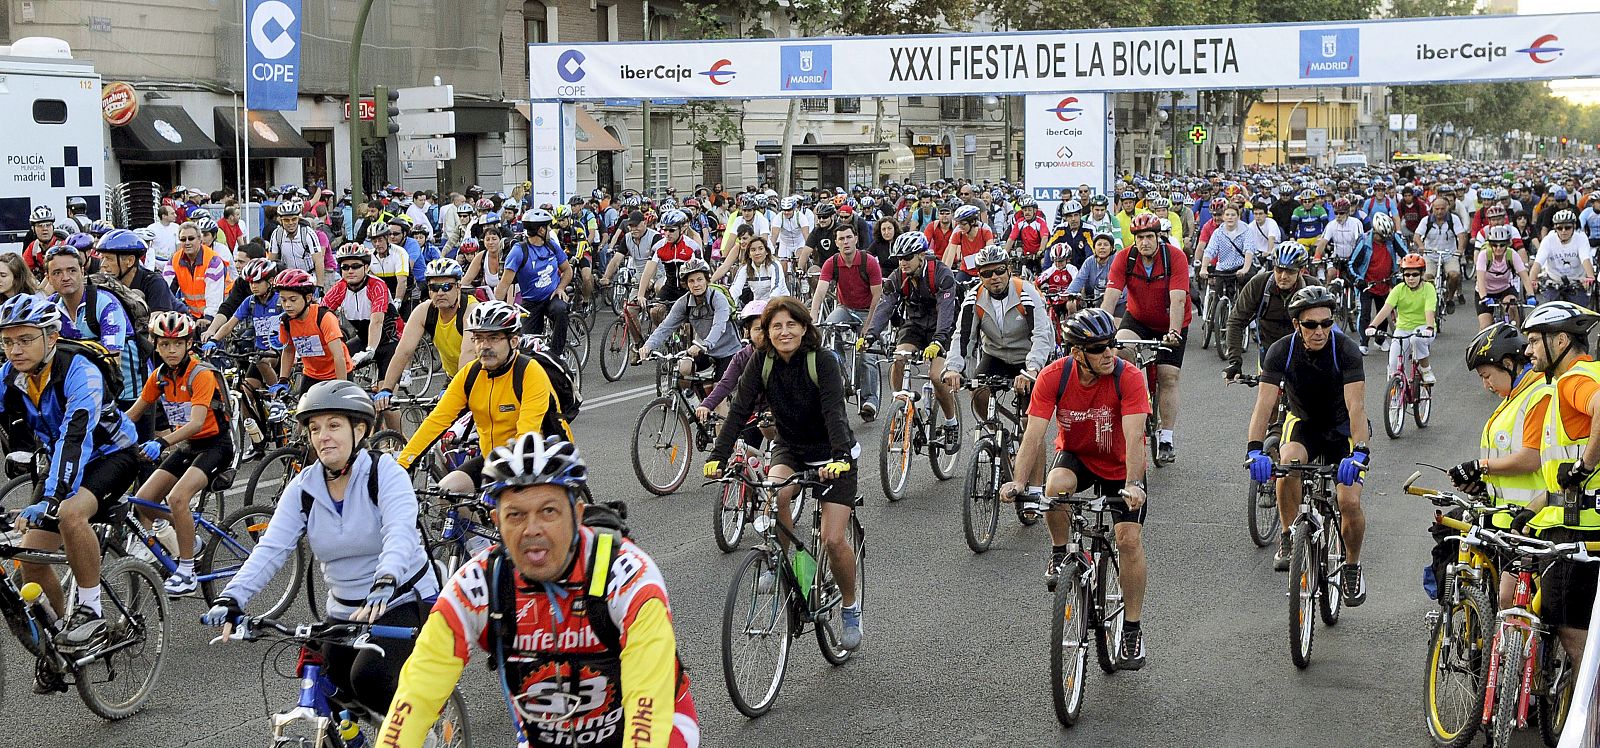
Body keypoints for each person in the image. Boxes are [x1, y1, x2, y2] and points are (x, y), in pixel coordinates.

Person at [379, 433, 698, 748]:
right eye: (515, 515)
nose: (532, 529)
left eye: (548, 511)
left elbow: (648, 705)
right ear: (496, 522)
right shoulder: (480, 584)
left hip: (653, 725)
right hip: (544, 735)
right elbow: (416, 694)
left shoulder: (626, 574)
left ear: (577, 515)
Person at [203, 380, 438, 715]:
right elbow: (271, 549)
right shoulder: (304, 488)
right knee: (325, 686)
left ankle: (423, 737)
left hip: (403, 599)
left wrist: (386, 578)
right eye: (314, 428)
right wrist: (233, 596)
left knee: (369, 678)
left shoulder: (384, 473)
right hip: (345, 611)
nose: (322, 435)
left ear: (360, 430)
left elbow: (399, 532)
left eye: (334, 425)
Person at [704, 296, 864, 649]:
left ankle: (851, 609)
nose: (783, 331)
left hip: (833, 452)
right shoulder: (761, 362)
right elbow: (738, 411)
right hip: (791, 447)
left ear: (804, 327)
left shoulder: (821, 361)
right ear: (766, 332)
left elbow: (835, 413)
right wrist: (718, 455)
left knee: (833, 538)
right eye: (775, 326)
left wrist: (838, 458)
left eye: (791, 324)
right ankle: (781, 561)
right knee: (774, 492)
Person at [1001, 308, 1151, 668]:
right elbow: (1033, 436)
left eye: (1111, 345)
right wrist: (1019, 482)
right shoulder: (1054, 377)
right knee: (1053, 488)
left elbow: (1134, 438)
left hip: (1120, 467)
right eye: (1098, 348)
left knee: (1128, 539)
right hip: (1078, 457)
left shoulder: (1128, 377)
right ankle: (1059, 552)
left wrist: (1132, 484)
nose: (1109, 354)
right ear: (1077, 353)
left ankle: (1131, 629)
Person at [1, 294, 140, 678]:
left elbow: (75, 436)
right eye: (7, 341)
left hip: (112, 454)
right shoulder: (11, 375)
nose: (15, 349)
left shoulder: (81, 370)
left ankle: (91, 609)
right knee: (29, 558)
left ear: (52, 336)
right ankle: (66, 634)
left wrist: (51, 495)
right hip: (64, 459)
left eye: (25, 339)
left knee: (68, 512)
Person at [1245, 286, 1371, 604]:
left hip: (1343, 431)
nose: (1320, 331)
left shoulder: (1346, 350)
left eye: (1326, 323)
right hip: (1304, 424)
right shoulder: (1280, 351)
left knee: (1349, 503)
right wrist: (1254, 449)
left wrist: (1360, 453)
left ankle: (1352, 566)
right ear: (1296, 325)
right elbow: (1263, 405)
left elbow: (1357, 407)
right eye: (1311, 324)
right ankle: (1288, 535)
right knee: (1288, 465)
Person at [395, 300, 565, 493]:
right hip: (491, 458)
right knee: (446, 492)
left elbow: (526, 432)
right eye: (478, 338)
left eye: (493, 338)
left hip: (536, 457)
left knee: (515, 513)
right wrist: (403, 465)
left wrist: (503, 477)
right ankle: (472, 524)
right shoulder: (471, 374)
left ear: (513, 341)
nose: (484, 346)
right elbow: (436, 421)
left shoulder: (529, 372)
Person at [124, 311, 232, 595]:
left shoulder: (201, 374)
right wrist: (99, 436)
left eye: (177, 344)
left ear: (188, 344)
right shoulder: (159, 377)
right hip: (187, 445)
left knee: (177, 498)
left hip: (215, 445)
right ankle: (189, 537)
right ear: (156, 345)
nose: (171, 350)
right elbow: (132, 414)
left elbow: (196, 422)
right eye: (164, 344)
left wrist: (162, 442)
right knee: (144, 501)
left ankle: (187, 571)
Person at [1518, 301, 1600, 662]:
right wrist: (1532, 509)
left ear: (1562, 340)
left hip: (1577, 530)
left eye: (1535, 341)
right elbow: (1557, 474)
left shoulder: (1573, 380)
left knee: (1574, 635)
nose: (1528, 350)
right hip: (1572, 520)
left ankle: (1588, 718)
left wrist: (1582, 467)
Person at [1447, 323, 1550, 607]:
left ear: (1508, 364)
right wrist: (1481, 484)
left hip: (1533, 520)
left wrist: (1481, 466)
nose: (1486, 384)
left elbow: (1531, 457)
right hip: (1506, 519)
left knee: (1511, 599)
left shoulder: (1538, 395)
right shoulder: (1513, 397)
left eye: (1487, 376)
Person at [1101, 212, 1190, 463]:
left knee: (1168, 376)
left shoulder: (1175, 257)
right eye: (1139, 237)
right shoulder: (1125, 258)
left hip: (1171, 323)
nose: (1144, 242)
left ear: (1158, 237)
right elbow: (1111, 296)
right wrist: (1100, 331)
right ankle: (1129, 406)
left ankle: (1167, 438)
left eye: (1149, 236)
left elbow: (1178, 299)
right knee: (1121, 351)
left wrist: (1173, 332)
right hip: (1138, 318)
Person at [863, 233, 962, 447]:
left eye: (907, 257)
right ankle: (899, 407)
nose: (902, 262)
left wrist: (938, 341)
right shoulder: (898, 276)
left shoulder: (942, 274)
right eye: (899, 258)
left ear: (921, 255)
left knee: (937, 376)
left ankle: (951, 421)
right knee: (899, 358)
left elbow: (946, 312)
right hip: (915, 325)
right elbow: (885, 307)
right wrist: (871, 335)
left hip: (942, 327)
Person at [943, 243, 1053, 423]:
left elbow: (1041, 335)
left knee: (1028, 422)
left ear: (1009, 270)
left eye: (999, 270)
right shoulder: (974, 298)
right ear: (979, 276)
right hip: (996, 355)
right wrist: (953, 368)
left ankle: (1026, 441)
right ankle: (996, 434)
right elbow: (962, 337)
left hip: (1027, 357)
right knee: (977, 391)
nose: (994, 277)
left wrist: (1033, 369)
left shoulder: (1026, 293)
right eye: (987, 273)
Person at [374, 258, 478, 410]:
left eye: (447, 286)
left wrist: (456, 390)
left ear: (459, 287)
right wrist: (387, 389)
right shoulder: (424, 311)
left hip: (478, 376)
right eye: (434, 288)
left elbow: (468, 353)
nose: (440, 293)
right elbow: (403, 352)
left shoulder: (471, 310)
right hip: (452, 377)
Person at [811, 223, 885, 419]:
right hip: (844, 308)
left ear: (856, 239)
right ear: (836, 242)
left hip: (868, 310)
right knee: (829, 327)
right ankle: (841, 371)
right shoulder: (832, 263)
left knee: (867, 355)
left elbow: (878, 296)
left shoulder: (868, 262)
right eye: (841, 239)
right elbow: (820, 291)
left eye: (848, 237)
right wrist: (812, 315)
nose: (845, 242)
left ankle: (870, 399)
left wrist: (869, 325)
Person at [638, 258, 742, 385]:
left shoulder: (718, 298)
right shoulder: (684, 302)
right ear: (686, 284)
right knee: (683, 368)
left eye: (700, 279)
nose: (696, 284)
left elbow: (719, 326)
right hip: (703, 350)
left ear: (707, 280)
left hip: (728, 350)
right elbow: (665, 327)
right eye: (691, 281)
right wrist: (648, 346)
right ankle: (691, 401)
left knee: (719, 392)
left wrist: (704, 344)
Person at [324, 242, 399, 400]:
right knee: (334, 367)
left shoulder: (377, 285)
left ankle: (393, 424)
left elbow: (377, 321)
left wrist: (370, 350)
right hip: (363, 339)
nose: (350, 271)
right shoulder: (340, 287)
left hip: (389, 342)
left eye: (356, 266)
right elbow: (320, 314)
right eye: (345, 267)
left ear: (366, 267)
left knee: (386, 402)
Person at [1224, 242, 1309, 380]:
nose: (1283, 276)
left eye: (1290, 271)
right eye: (1279, 270)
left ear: (1302, 270)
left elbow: (1329, 327)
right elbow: (1236, 322)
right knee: (1268, 400)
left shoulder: (1312, 287)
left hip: (1304, 352)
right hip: (1270, 350)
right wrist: (1235, 362)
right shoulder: (1259, 284)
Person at [497, 208, 573, 354]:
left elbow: (568, 270)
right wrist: (498, 307)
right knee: (527, 348)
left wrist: (560, 288)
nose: (550, 230)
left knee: (560, 310)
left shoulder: (552, 246)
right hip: (531, 303)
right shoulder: (519, 251)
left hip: (552, 297)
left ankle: (557, 355)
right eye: (548, 227)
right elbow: (504, 284)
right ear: (541, 230)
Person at [273, 268, 352, 396]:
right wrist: (283, 379)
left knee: (338, 414)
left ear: (308, 298)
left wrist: (341, 386)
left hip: (337, 373)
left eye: (293, 300)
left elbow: (339, 356)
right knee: (304, 414)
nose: (287, 305)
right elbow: (288, 351)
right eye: (283, 300)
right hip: (311, 375)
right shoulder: (286, 321)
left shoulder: (324, 318)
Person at [1365, 254, 1439, 385]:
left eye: (1415, 274)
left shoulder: (1429, 288)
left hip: (1423, 328)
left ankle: (1426, 369)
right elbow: (1386, 309)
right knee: (1393, 363)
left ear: (1422, 274)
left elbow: (1429, 309)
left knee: (1416, 339)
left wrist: (1429, 327)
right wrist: (1373, 326)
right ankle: (1395, 395)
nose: (1411, 278)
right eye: (1407, 275)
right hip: (1403, 329)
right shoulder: (1399, 289)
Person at [1348, 213, 1410, 353]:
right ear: (1374, 231)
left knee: (1383, 311)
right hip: (1367, 284)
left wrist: (1404, 271)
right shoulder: (1364, 241)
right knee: (1365, 313)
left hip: (1385, 283)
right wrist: (1358, 279)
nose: (1384, 239)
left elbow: (1406, 255)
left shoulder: (1392, 238)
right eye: (1381, 236)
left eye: (1386, 237)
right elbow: (1352, 264)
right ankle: (1364, 342)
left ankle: (1380, 340)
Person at [163, 221, 232, 320]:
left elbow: (215, 297)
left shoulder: (212, 260)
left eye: (191, 239)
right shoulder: (174, 260)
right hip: (193, 313)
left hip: (218, 311)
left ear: (200, 239)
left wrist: (208, 318)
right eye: (183, 239)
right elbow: (166, 290)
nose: (187, 242)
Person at [1475, 224, 1536, 330]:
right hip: (1485, 292)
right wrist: (1484, 297)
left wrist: (1531, 295)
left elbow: (1524, 277)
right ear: (1490, 244)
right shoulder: (1484, 255)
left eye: (1502, 245)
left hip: (1505, 289)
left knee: (1512, 306)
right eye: (1495, 245)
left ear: (1507, 244)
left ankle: (1516, 334)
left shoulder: (1511, 254)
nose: (1498, 248)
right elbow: (1480, 279)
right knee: (1485, 327)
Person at [1412, 197, 1468, 314]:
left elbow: (1461, 236)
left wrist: (1460, 250)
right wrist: (1421, 246)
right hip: (1431, 255)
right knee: (1427, 278)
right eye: (1437, 209)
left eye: (1442, 209)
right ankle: (1429, 300)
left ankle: (1450, 298)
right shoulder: (1426, 221)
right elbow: (1416, 236)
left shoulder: (1454, 219)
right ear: (1432, 208)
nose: (1439, 211)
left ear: (1447, 208)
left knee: (1454, 275)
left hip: (1449, 254)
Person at [1530, 208, 1595, 306]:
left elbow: (1585, 258)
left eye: (1567, 228)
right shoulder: (1548, 239)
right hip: (1553, 282)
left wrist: (1590, 277)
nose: (1563, 231)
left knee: (1580, 314)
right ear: (1555, 228)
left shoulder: (1581, 238)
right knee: (1550, 313)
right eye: (1560, 228)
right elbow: (1538, 262)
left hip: (1576, 282)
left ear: (1574, 226)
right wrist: (1532, 280)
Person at [943, 204, 994, 286]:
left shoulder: (985, 232)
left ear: (973, 222)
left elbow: (990, 254)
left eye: (963, 224)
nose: (960, 227)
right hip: (965, 271)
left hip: (983, 270)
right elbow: (949, 258)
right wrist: (945, 275)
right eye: (958, 224)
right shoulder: (958, 234)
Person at [1001, 196, 1050, 276]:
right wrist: (1004, 253)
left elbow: (1044, 238)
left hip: (1039, 254)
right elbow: (1011, 239)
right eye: (1025, 210)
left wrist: (1041, 250)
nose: (1027, 212)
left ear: (1034, 211)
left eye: (1029, 210)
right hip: (1026, 255)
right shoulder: (1020, 222)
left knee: (1043, 263)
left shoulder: (1040, 222)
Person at [22, 205, 62, 280]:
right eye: (40, 226)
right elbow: (24, 270)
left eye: (48, 225)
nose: (45, 229)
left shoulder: (61, 245)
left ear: (53, 227)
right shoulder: (33, 247)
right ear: (33, 229)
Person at [144, 205, 181, 270]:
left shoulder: (177, 227)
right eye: (172, 213)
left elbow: (179, 246)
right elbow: (148, 248)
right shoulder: (151, 228)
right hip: (155, 264)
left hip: (171, 263)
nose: (175, 215)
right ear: (164, 216)